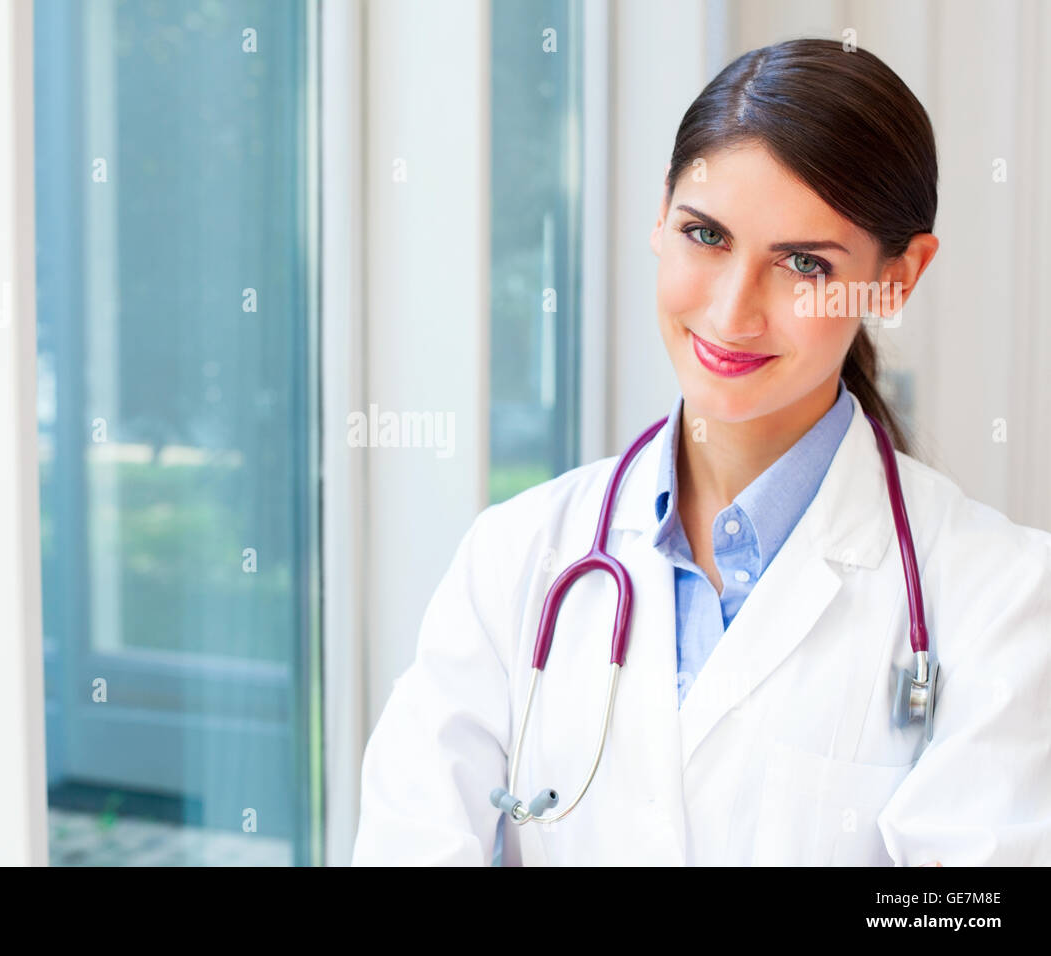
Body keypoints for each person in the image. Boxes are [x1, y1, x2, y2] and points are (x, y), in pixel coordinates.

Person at [350, 37, 1051, 866]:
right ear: (660, 216)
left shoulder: (1001, 599)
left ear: (897, 279)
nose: (730, 312)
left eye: (803, 264)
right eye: (706, 234)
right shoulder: (516, 558)